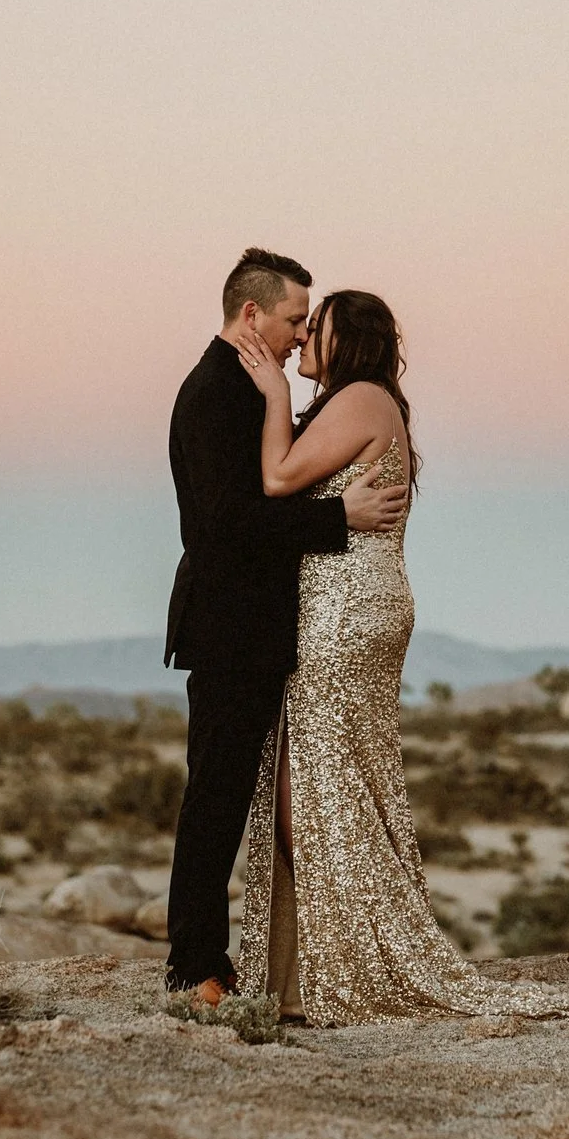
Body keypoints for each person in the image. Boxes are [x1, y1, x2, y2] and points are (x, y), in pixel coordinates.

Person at [225, 290, 569, 1024]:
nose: (304, 334)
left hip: (344, 611)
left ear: (349, 340)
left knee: (312, 791)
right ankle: (318, 968)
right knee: (337, 783)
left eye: (316, 327)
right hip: (359, 604)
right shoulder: (368, 403)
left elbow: (278, 479)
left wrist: (274, 394)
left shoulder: (357, 399)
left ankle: (356, 963)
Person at [163, 249, 407, 1004]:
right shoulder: (214, 396)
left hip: (265, 631)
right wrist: (340, 515)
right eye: (295, 319)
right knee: (217, 795)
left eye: (310, 323)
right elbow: (227, 525)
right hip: (232, 629)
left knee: (244, 794)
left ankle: (266, 962)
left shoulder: (252, 391)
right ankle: (195, 965)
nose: (301, 335)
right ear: (252, 316)